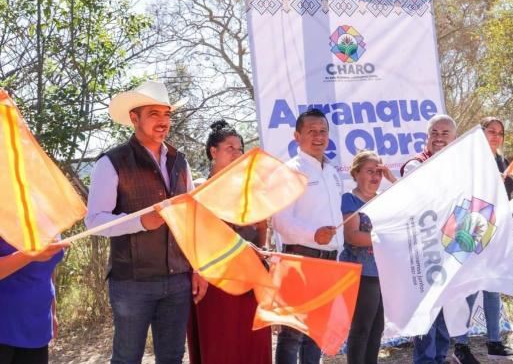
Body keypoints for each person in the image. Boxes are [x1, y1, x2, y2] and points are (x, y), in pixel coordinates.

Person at [85, 80, 208, 364]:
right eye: (154, 114)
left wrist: (198, 268)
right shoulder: (111, 162)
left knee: (173, 358)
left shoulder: (181, 161)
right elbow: (94, 221)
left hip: (178, 280)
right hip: (131, 282)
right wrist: (141, 220)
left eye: (166, 114)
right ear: (134, 118)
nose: (163, 121)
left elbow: (190, 218)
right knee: (127, 358)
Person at [187, 120, 271, 364]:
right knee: (220, 343)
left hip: (250, 274)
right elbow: (192, 235)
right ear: (214, 152)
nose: (237, 153)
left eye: (240, 148)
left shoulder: (251, 187)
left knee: (252, 342)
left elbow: (262, 225)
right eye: (230, 148)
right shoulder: (199, 189)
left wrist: (262, 253)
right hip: (214, 278)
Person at [271, 108, 344, 364]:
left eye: (323, 131)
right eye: (311, 131)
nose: (318, 136)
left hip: (329, 262)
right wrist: (313, 234)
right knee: (292, 334)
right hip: (300, 260)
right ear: (297, 136)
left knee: (316, 331)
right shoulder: (289, 172)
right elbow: (279, 220)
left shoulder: (333, 172)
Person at [449, 117, 513, 363]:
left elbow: (507, 204)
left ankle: (494, 342)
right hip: (472, 227)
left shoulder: (502, 160)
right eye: (491, 131)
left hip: (498, 232)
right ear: (480, 133)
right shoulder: (469, 160)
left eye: (500, 132)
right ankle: (460, 344)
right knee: (469, 287)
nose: (496, 136)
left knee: (493, 288)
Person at [400, 114, 456, 364]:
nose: (439, 138)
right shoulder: (416, 165)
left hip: (451, 246)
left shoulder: (459, 165)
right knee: (428, 307)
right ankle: (425, 360)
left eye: (445, 134)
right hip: (425, 248)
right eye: (435, 133)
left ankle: (441, 356)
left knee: (447, 306)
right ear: (427, 136)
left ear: (454, 138)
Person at [341, 150, 397, 364]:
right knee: (361, 328)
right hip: (361, 273)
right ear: (356, 174)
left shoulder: (383, 199)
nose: (375, 177)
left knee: (377, 329)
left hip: (382, 273)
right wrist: (385, 237)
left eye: (379, 172)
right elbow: (353, 236)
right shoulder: (350, 199)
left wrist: (392, 178)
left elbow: (409, 204)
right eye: (369, 171)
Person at [0, 240, 67, 364]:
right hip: (4, 329)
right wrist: (30, 255)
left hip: (38, 328)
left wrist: (53, 311)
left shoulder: (49, 221)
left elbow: (48, 267)